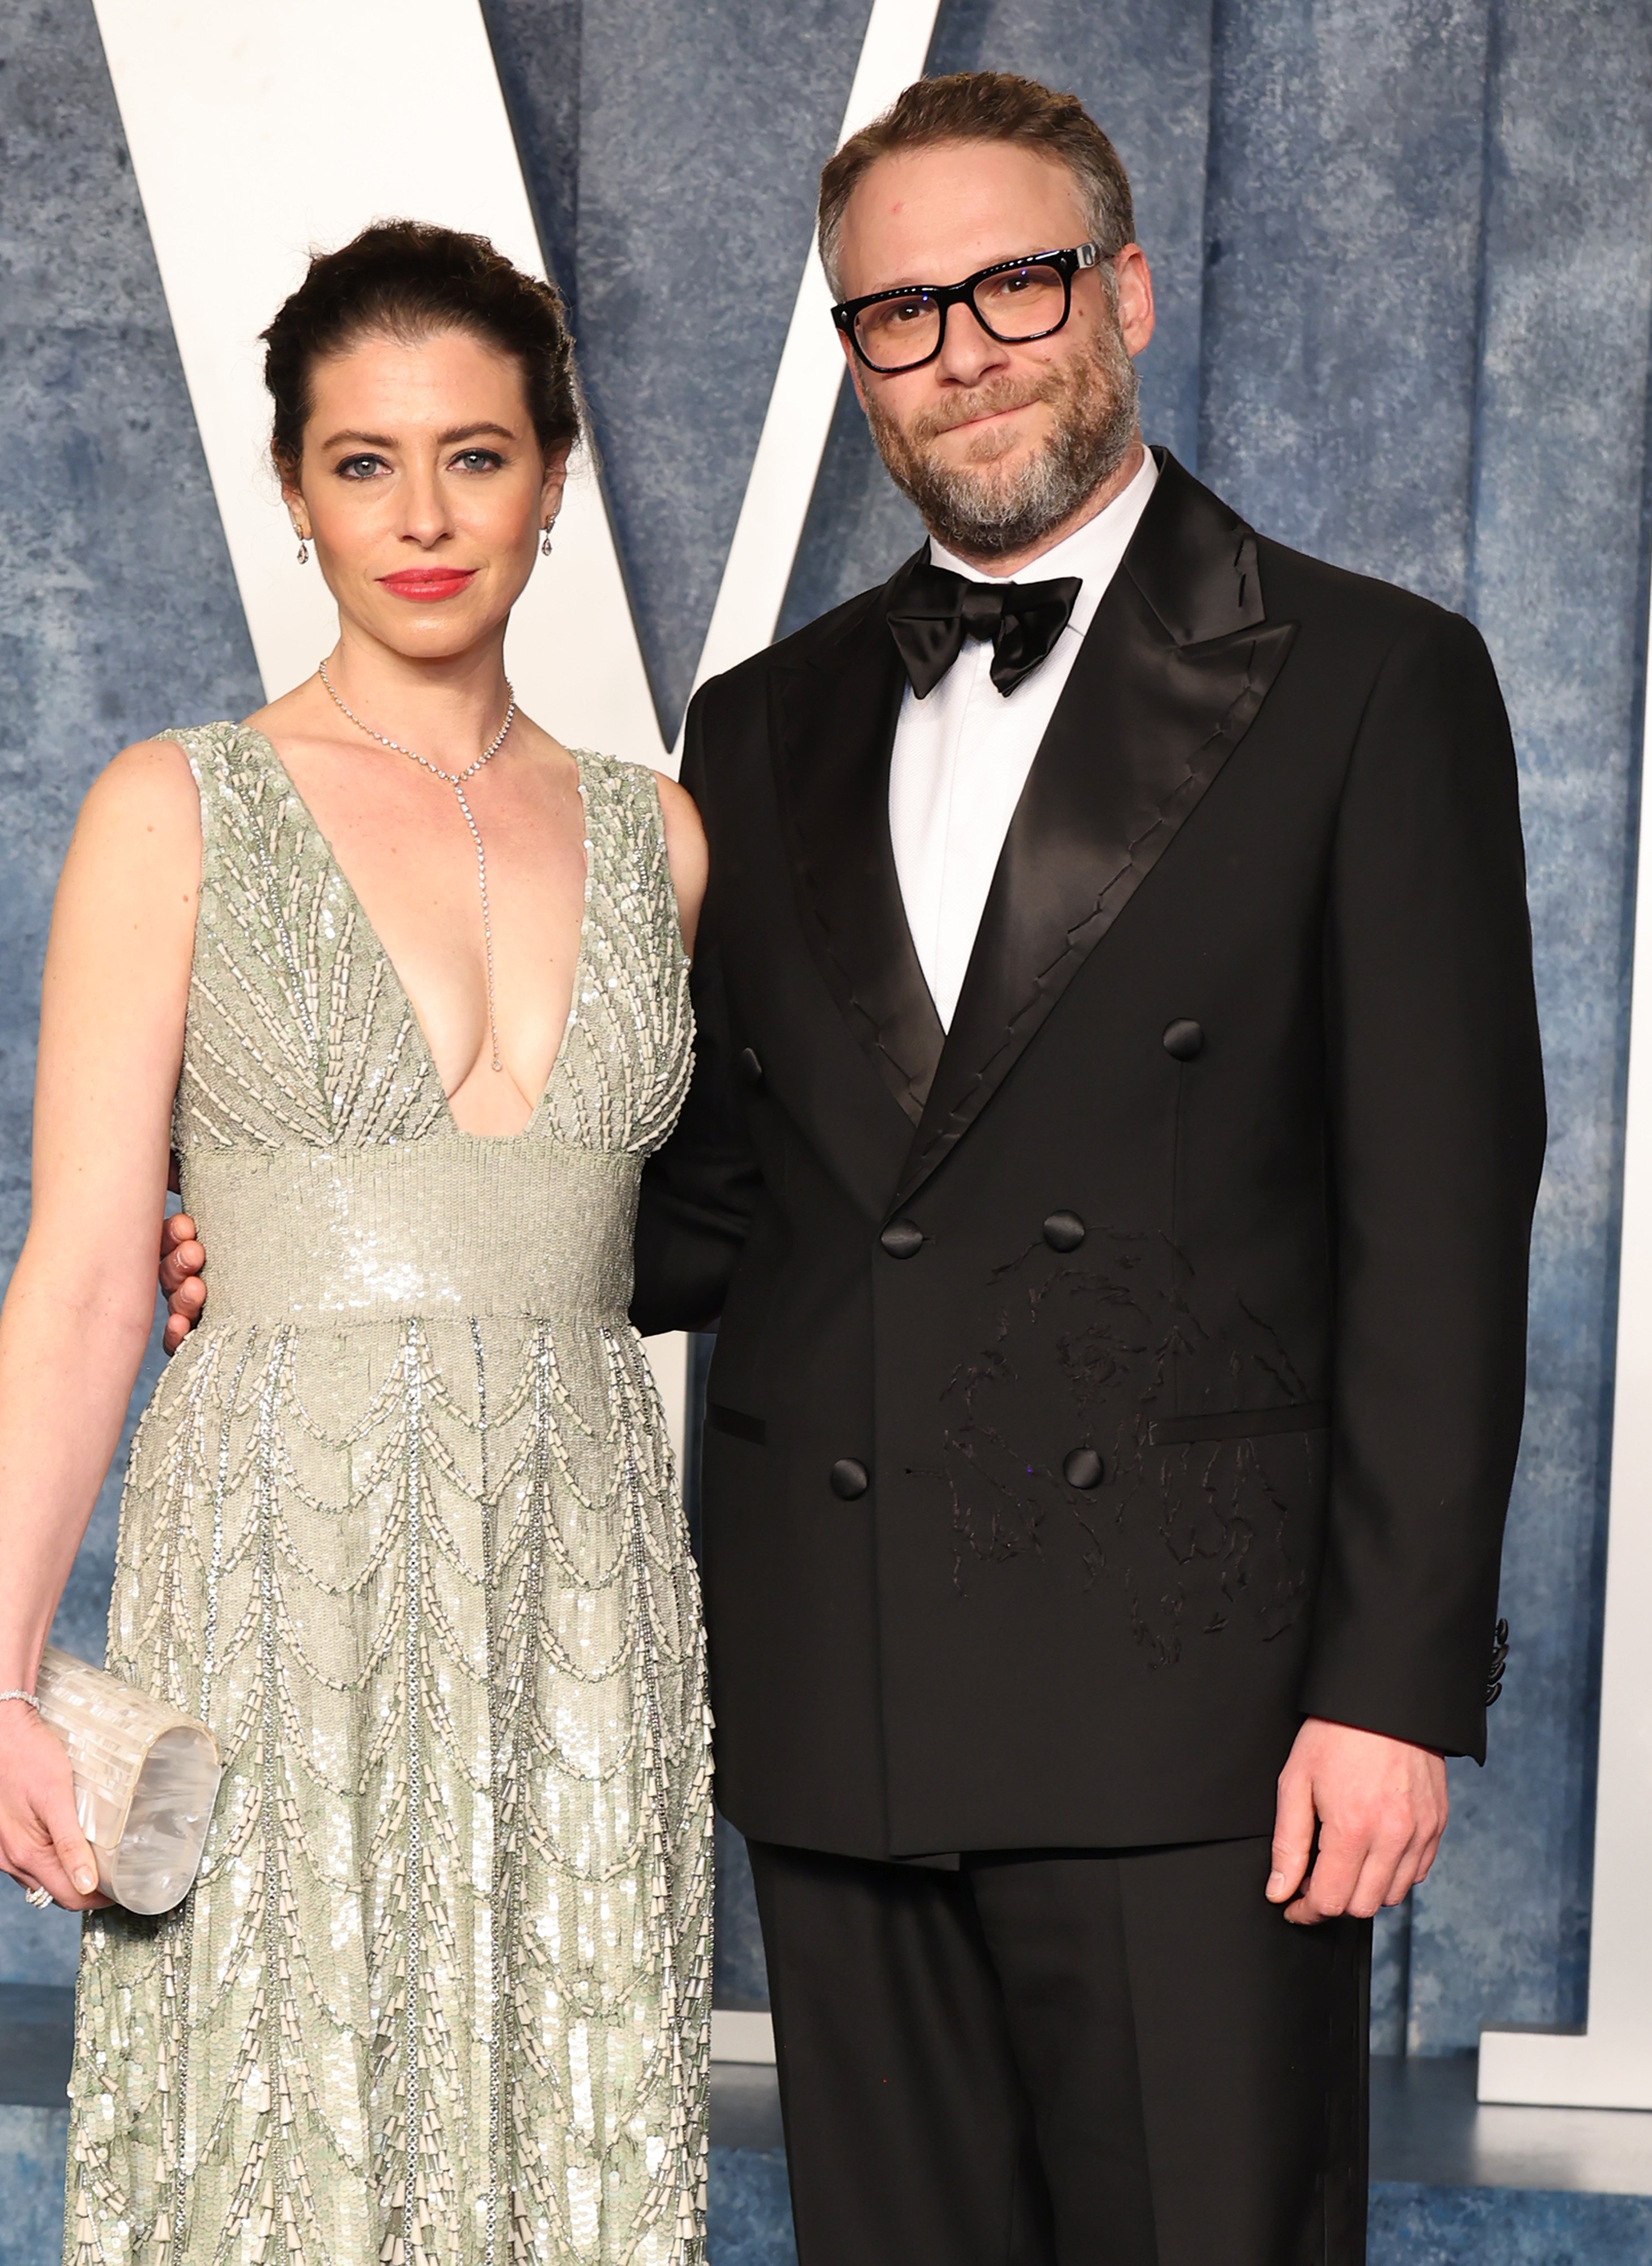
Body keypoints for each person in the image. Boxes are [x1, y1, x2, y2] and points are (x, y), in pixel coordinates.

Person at [621, 72, 1541, 2266]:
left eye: (1010, 282)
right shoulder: (759, 720)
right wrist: (367, 1244)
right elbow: (725, 1189)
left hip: (1192, 1699)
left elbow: (1437, 1219)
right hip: (840, 1675)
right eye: (896, 314)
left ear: (1118, 288)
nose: (961, 352)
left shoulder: (1367, 679)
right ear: (851, 361)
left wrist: (1386, 1689)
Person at [0, 221, 712, 2266]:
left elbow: (701, 1227)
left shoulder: (665, 833)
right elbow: (94, 1267)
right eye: (362, 461)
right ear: (296, 495)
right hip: (275, 1564)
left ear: (553, 476)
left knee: (578, 2112)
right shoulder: (172, 808)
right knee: (268, 2129)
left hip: (582, 1585)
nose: (424, 514)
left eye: (474, 454)